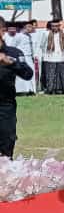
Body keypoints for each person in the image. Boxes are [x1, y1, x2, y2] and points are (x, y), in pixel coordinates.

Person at [0, 26, 34, 158]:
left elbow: (28, 74)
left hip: (5, 106)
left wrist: (11, 62)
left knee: (6, 146)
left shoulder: (14, 53)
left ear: (2, 31)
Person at [41, 20, 64, 95]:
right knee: (50, 75)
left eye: (56, 26)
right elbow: (42, 45)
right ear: (51, 26)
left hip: (61, 57)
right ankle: (50, 90)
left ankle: (62, 89)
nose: (55, 27)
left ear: (59, 26)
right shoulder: (46, 33)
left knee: (62, 75)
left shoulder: (63, 34)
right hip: (50, 57)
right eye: (53, 26)